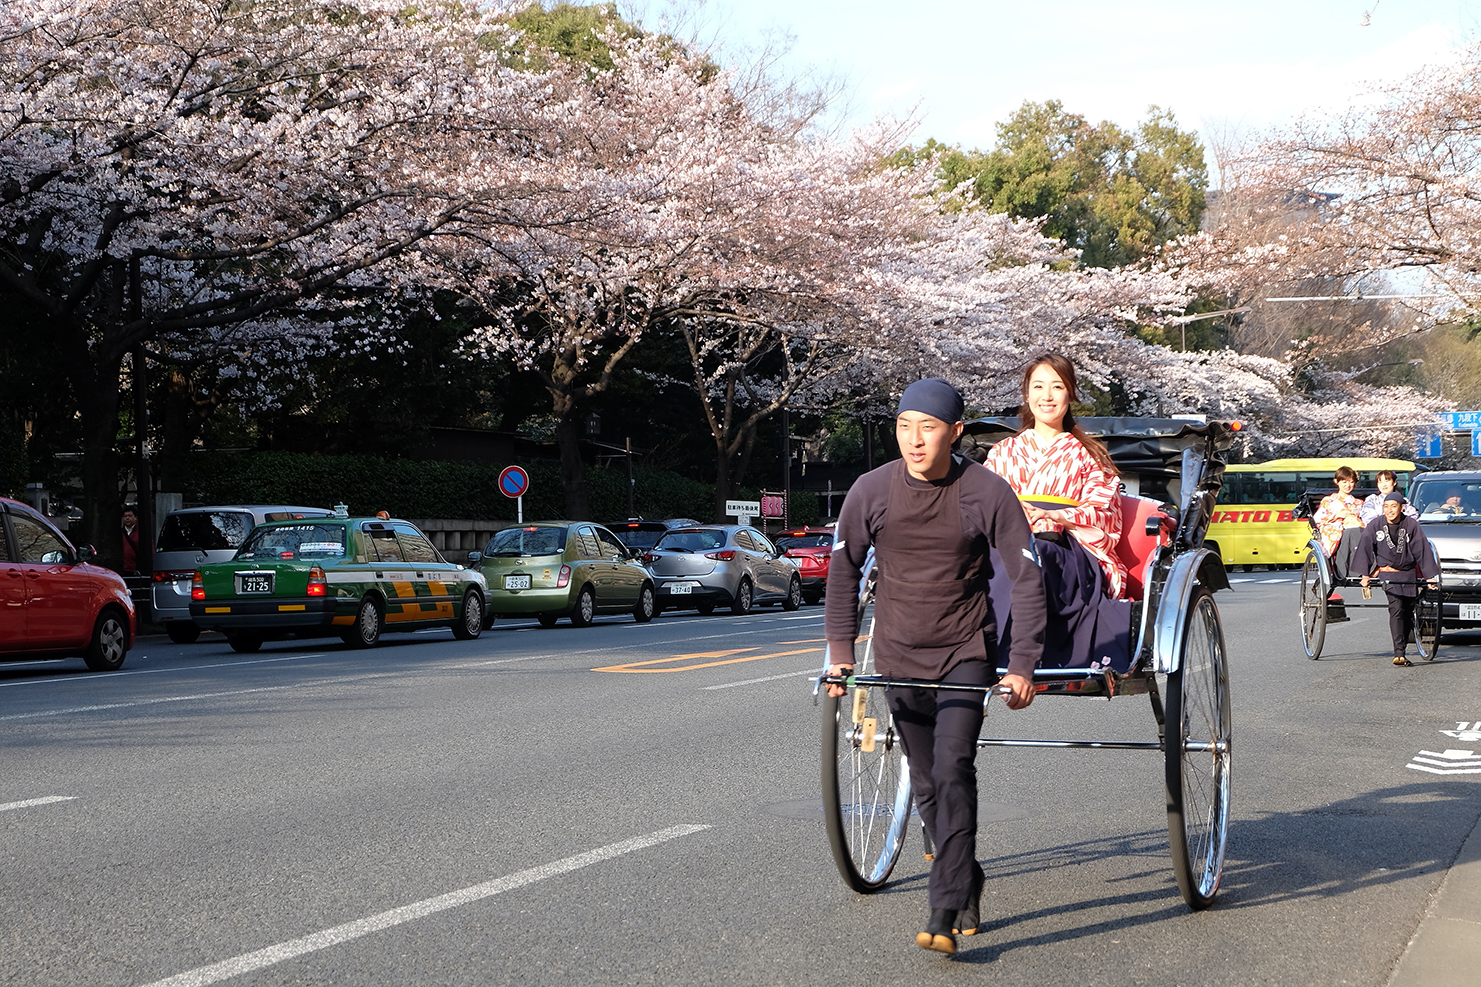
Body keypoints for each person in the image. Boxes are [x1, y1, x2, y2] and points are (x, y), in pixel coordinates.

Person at [824, 377, 1046, 956]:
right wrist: (842, 654)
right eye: (904, 426)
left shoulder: (986, 492)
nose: (914, 440)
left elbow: (1025, 579)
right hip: (897, 654)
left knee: (952, 769)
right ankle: (967, 875)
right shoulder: (871, 492)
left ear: (956, 433)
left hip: (965, 651)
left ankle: (943, 908)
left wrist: (1022, 663)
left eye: (928, 428)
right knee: (925, 782)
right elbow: (844, 572)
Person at [984, 353, 1126, 601]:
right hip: (1007, 544)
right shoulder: (1002, 452)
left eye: (1057, 387)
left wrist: (1058, 516)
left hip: (1069, 548)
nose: (1047, 396)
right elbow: (981, 502)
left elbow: (1105, 512)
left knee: (1038, 558)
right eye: (1038, 387)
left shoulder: (1089, 456)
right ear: (1027, 395)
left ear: (1070, 394)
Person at [1352, 492, 1439, 666]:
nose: (1390, 510)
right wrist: (1365, 574)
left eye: (1393, 506)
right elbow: (1365, 548)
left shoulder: (1411, 524)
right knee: (1396, 607)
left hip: (1408, 573)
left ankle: (1402, 648)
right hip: (1387, 573)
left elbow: (1422, 551)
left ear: (1401, 508)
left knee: (1407, 611)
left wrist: (1430, 577)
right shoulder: (1375, 524)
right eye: (1386, 506)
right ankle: (1399, 653)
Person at [1312, 467, 1364, 577]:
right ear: (1337, 482)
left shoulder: (1359, 503)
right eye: (1344, 482)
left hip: (1355, 530)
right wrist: (1337, 516)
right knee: (1344, 532)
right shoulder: (1329, 501)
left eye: (1351, 482)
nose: (1348, 485)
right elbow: (1318, 519)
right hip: (1335, 528)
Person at [121, 506, 141, 575]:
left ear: (135, 517)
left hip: (136, 569)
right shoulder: (119, 533)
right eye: (125, 516)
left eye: (130, 516)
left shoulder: (141, 533)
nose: (127, 518)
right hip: (122, 569)